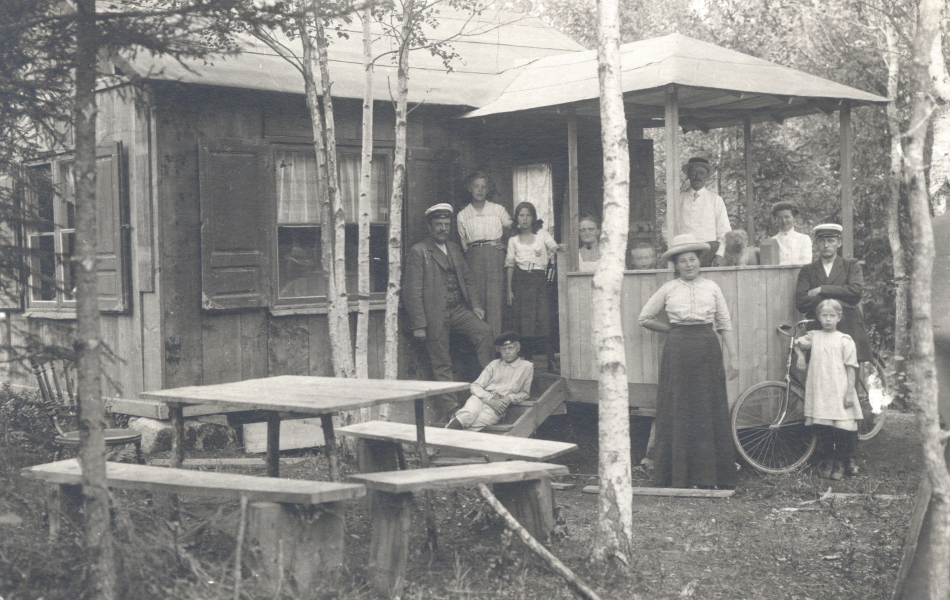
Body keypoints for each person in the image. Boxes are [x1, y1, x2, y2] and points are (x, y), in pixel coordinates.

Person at [638, 233, 739, 489]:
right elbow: (644, 317)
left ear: (699, 260)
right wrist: (671, 330)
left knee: (708, 407)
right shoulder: (669, 289)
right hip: (678, 349)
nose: (689, 265)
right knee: (679, 407)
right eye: (683, 261)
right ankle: (678, 476)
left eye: (692, 259)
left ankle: (710, 477)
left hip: (707, 347)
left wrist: (733, 357)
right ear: (676, 265)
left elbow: (725, 324)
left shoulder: (712, 287)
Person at [405, 203, 495, 420]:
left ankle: (488, 390)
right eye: (438, 225)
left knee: (484, 332)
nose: (443, 229)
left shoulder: (454, 248)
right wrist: (419, 324)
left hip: (458, 310)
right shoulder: (419, 251)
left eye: (446, 224)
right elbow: (412, 291)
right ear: (430, 226)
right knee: (442, 362)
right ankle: (452, 410)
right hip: (434, 315)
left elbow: (467, 279)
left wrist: (475, 306)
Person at [794, 299, 862, 480]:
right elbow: (796, 343)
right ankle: (827, 461)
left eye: (832, 316)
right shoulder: (814, 336)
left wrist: (849, 392)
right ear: (819, 317)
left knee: (841, 429)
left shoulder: (845, 340)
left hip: (839, 390)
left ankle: (839, 462)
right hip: (820, 390)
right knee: (823, 428)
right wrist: (800, 356)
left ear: (839, 317)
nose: (828, 319)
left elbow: (851, 368)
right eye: (824, 315)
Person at [794, 223, 872, 363]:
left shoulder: (851, 265)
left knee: (848, 375)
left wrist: (822, 290)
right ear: (816, 243)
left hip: (848, 327)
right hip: (819, 329)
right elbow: (801, 302)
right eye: (822, 241)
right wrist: (840, 296)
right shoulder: (808, 270)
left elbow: (855, 292)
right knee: (821, 375)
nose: (826, 245)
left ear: (839, 243)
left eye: (831, 241)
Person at [506, 201, 562, 370]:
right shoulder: (513, 240)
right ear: (516, 218)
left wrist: (559, 249)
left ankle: (551, 361)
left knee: (544, 320)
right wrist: (509, 289)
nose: (524, 219)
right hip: (521, 281)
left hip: (539, 280)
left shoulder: (542, 235)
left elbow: (554, 248)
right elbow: (509, 265)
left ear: (533, 217)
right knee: (525, 323)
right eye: (521, 215)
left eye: (528, 215)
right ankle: (528, 361)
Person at [456, 172, 512, 337]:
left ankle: (496, 345)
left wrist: (506, 245)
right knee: (477, 299)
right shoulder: (462, 215)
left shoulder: (498, 209)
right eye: (476, 186)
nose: (480, 190)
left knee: (495, 300)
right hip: (473, 258)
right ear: (469, 188)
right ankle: (481, 346)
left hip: (495, 256)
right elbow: (464, 244)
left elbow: (514, 229)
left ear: (488, 189)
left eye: (483, 186)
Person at [445, 332, 533, 431]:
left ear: (518, 348)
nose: (507, 352)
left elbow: (525, 393)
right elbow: (475, 385)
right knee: (466, 415)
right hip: (481, 397)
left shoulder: (526, 366)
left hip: (499, 404)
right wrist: (490, 399)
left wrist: (510, 398)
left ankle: (446, 442)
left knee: (476, 424)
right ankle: (443, 438)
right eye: (503, 349)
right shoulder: (494, 364)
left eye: (510, 348)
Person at [664, 157, 731, 267]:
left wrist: (719, 254)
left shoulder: (715, 199)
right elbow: (666, 228)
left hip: (709, 254)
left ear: (707, 176)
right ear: (688, 175)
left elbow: (725, 231)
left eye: (701, 173)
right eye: (693, 172)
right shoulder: (678, 199)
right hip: (683, 254)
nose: (697, 176)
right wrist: (675, 249)